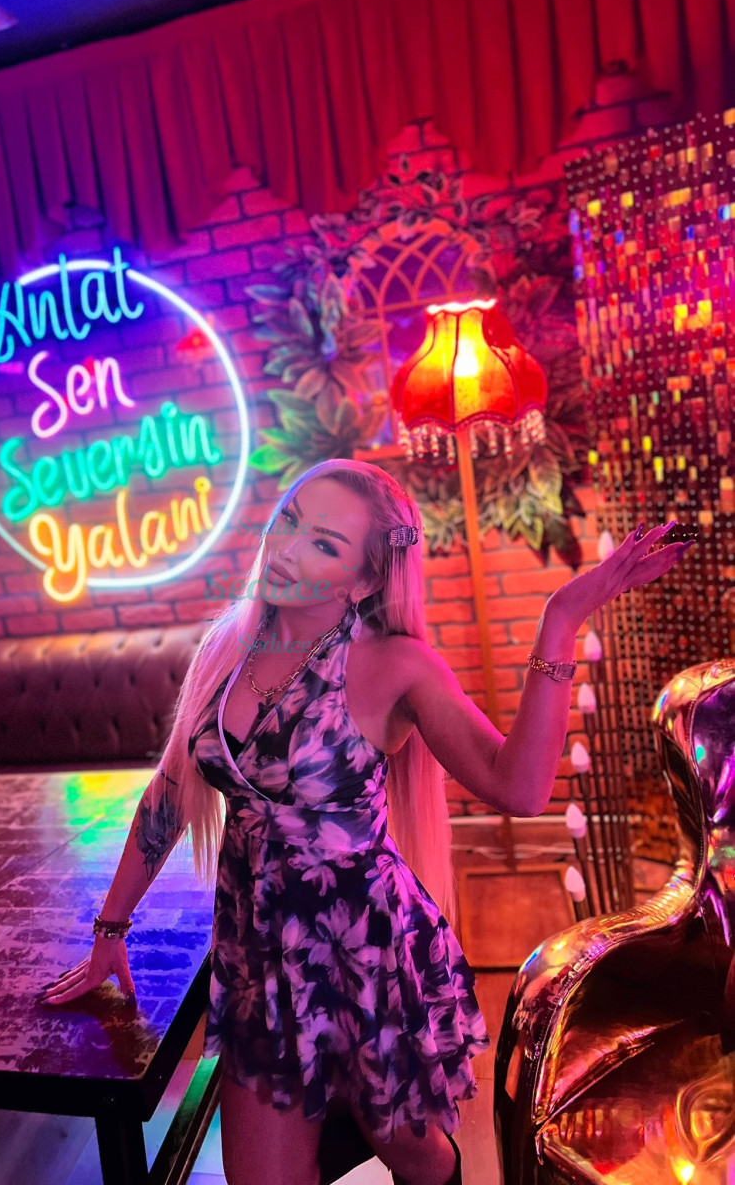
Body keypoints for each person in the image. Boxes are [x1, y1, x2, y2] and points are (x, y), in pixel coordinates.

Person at [38, 458, 694, 1185]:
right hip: (259, 957)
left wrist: (560, 620)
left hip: (365, 955)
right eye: (289, 521)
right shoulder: (228, 645)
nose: (288, 549)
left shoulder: (395, 666)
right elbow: (167, 794)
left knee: (409, 1150)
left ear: (364, 581)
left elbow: (520, 787)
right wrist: (110, 929)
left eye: (323, 543)